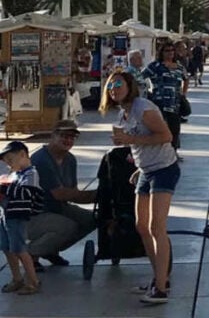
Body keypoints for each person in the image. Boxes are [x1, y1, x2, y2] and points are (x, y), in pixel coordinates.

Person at [100, 70, 179, 305]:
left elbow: (166, 136)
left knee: (157, 227)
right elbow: (140, 143)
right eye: (111, 85)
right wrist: (137, 163)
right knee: (142, 226)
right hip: (146, 171)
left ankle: (161, 289)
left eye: (119, 84)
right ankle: (159, 277)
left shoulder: (142, 107)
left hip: (164, 169)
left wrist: (130, 141)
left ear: (130, 86)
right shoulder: (125, 113)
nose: (114, 89)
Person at [27, 120, 96, 269]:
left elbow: (73, 193)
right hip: (31, 214)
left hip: (55, 208)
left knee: (94, 219)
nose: (68, 140)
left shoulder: (70, 159)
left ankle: (50, 249)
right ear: (53, 136)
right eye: (63, 136)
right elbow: (61, 194)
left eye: (72, 137)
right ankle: (31, 255)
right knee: (67, 227)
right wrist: (99, 195)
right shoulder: (41, 160)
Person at [1, 140, 44, 296]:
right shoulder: (15, 174)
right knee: (7, 247)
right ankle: (17, 278)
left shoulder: (31, 173)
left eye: (10, 161)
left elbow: (26, 193)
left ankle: (32, 281)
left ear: (22, 154)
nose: (8, 165)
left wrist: (6, 188)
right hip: (6, 214)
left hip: (18, 216)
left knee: (19, 249)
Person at [144, 43, 188, 153]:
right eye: (167, 50)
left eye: (172, 50)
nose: (170, 53)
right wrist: (147, 92)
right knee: (159, 128)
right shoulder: (155, 66)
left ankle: (173, 152)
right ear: (162, 53)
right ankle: (159, 152)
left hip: (174, 103)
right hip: (159, 103)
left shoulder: (179, 67)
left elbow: (186, 78)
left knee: (174, 129)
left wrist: (183, 93)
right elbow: (141, 77)